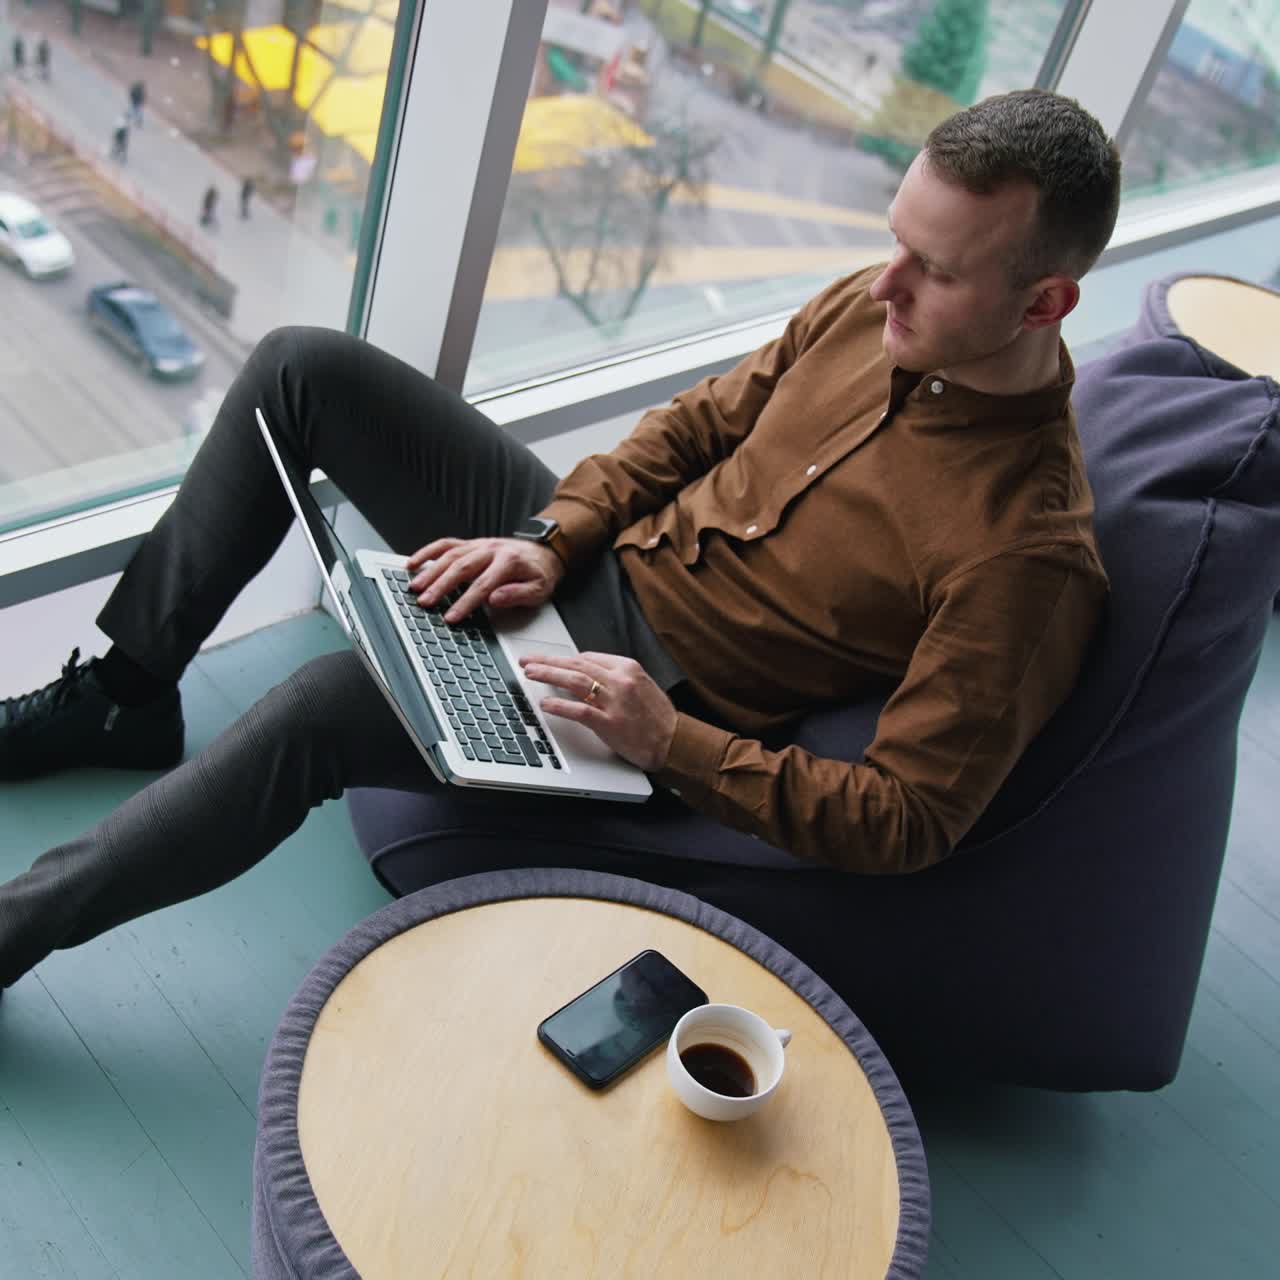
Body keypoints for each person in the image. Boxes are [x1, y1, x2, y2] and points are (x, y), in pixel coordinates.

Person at [0, 90, 1120, 996]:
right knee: (303, 368)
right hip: (593, 562)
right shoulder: (866, 310)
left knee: (314, 708)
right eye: (894, 243)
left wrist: (667, 739)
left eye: (936, 269)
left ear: (1042, 303)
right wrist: (548, 534)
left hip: (643, 703)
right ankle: (127, 690)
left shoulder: (1023, 555)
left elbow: (910, 817)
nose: (885, 282)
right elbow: (696, 426)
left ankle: (14, 928)